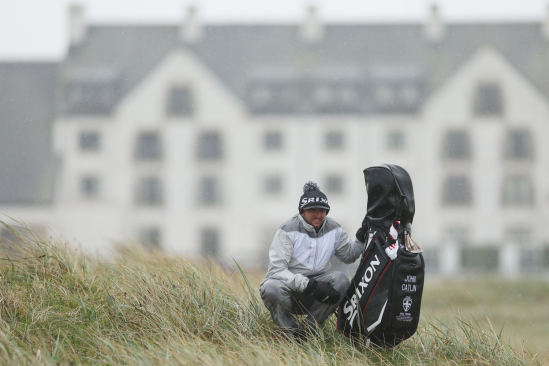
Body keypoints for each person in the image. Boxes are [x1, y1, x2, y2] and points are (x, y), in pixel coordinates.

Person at [260, 181, 367, 341]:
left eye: (322, 210)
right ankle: (289, 333)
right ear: (302, 211)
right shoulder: (287, 230)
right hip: (289, 293)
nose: (318, 215)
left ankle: (307, 332)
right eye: (312, 210)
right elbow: (276, 271)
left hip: (318, 293)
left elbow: (348, 256)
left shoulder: (334, 228)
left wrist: (360, 238)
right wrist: (310, 285)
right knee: (270, 287)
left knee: (341, 280)